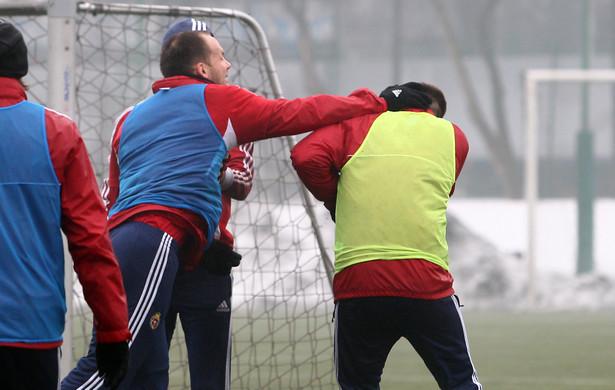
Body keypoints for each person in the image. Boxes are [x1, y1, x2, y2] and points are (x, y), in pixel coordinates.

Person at [61, 17, 429, 390]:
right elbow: (299, 112)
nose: (229, 65)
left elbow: (119, 195)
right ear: (201, 67)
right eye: (221, 56)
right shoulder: (223, 100)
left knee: (148, 375)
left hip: (145, 243)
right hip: (153, 242)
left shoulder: (132, 117)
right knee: (113, 363)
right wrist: (375, 102)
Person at [290, 82, 482, 390]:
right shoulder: (453, 135)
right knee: (460, 382)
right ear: (427, 111)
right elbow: (443, 188)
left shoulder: (353, 126)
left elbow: (304, 156)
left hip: (359, 283)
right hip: (425, 281)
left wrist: (335, 200)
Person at [0, 19, 131, 390]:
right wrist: (112, 332)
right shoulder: (58, 133)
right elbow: (92, 244)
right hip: (31, 331)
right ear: (22, 69)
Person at [160, 19, 255, 390]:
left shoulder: (236, 111)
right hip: (157, 255)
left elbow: (243, 183)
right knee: (144, 370)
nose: (227, 63)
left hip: (209, 259)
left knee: (211, 378)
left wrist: (209, 172)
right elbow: (114, 192)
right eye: (218, 53)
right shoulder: (141, 115)